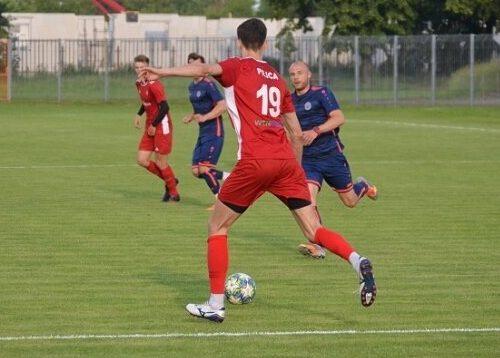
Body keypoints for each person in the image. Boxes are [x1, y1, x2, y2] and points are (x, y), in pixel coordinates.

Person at [138, 18, 376, 323]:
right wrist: (293, 167)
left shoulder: (239, 67)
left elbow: (202, 70)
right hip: (287, 163)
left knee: (217, 227)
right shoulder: (277, 78)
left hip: (254, 161)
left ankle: (214, 305)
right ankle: (358, 261)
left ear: (239, 43)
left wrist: (162, 71)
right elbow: (294, 129)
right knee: (312, 231)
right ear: (265, 44)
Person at [288, 61, 378, 259]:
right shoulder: (290, 100)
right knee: (308, 201)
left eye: (300, 72)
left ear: (309, 74)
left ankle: (362, 186)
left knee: (350, 201)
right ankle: (317, 245)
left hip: (331, 156)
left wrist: (316, 131)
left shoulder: (322, 93)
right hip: (308, 160)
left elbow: (339, 118)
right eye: (292, 74)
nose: (296, 77)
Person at [182, 52, 229, 208]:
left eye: (196, 65)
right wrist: (192, 116)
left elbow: (222, 105)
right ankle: (230, 177)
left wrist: (206, 117)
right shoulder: (191, 86)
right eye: (190, 65)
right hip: (203, 132)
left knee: (204, 169)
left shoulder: (209, 84)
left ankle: (220, 202)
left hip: (214, 131)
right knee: (196, 171)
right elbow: (200, 109)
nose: (193, 68)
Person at [133, 54, 180, 202]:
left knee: (160, 162)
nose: (140, 70)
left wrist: (154, 125)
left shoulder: (155, 84)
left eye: (142, 67)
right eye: (137, 67)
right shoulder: (139, 83)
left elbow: (165, 106)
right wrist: (139, 114)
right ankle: (171, 180)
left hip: (161, 125)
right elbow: (146, 101)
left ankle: (174, 193)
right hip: (150, 125)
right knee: (141, 160)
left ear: (148, 67)